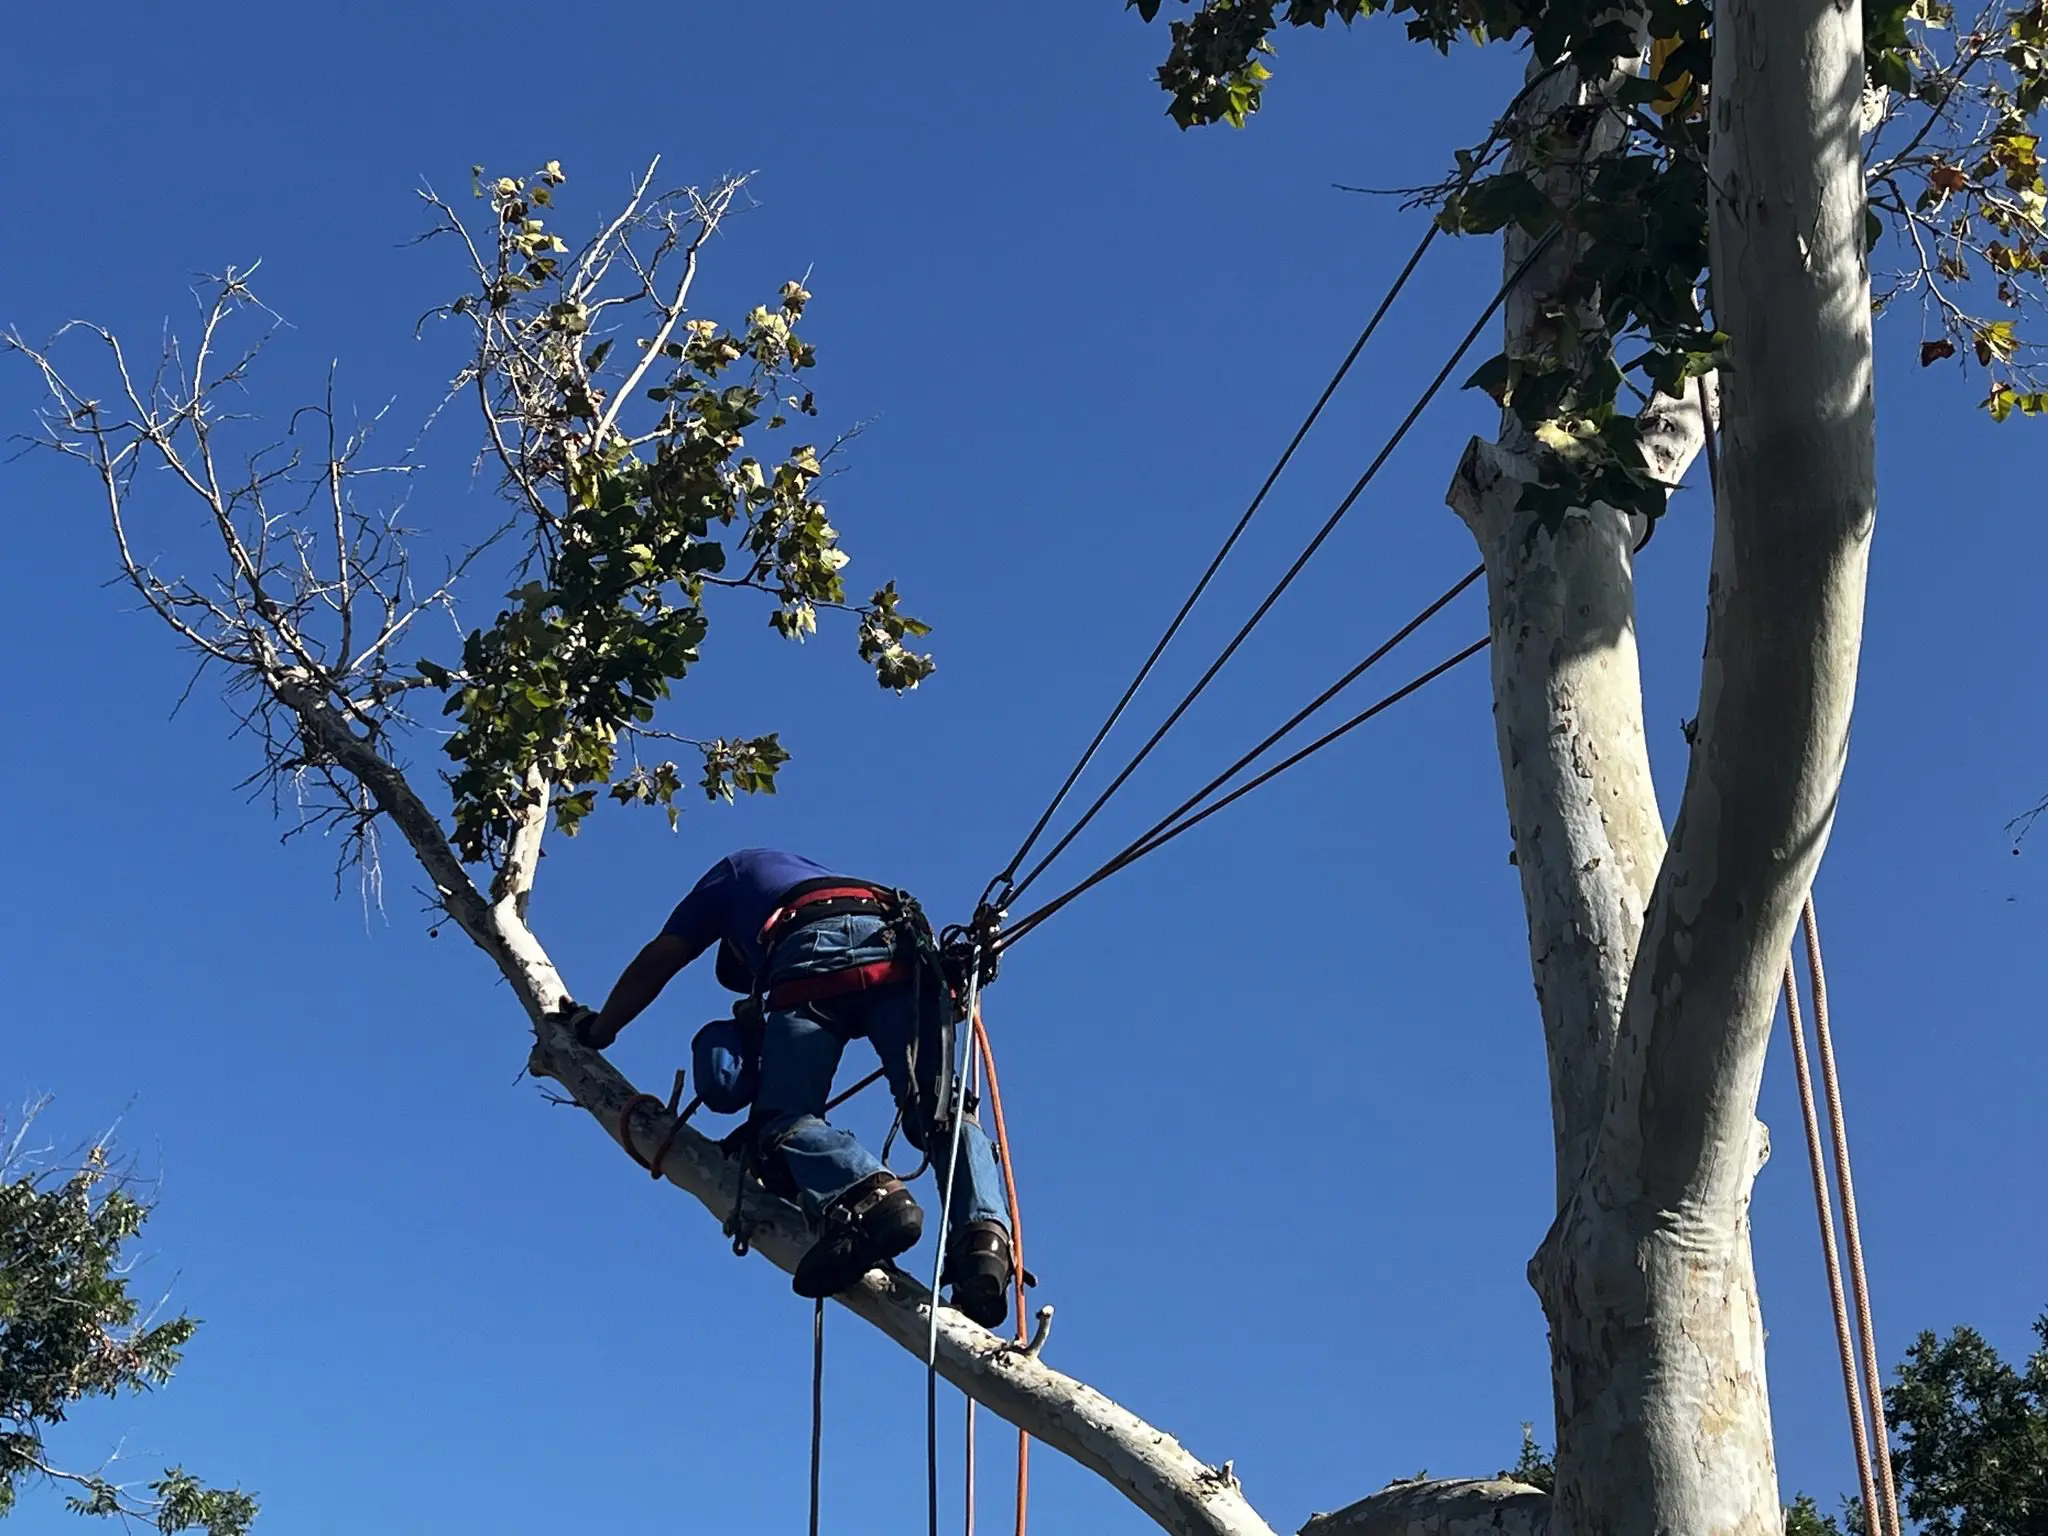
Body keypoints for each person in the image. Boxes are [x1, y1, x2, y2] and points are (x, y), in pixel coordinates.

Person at [570, 848, 1015, 1326]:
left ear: (737, 950)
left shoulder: (736, 871)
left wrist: (599, 1030)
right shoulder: (811, 871)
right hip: (901, 940)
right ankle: (984, 1243)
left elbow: (664, 954)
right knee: (940, 1114)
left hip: (812, 943)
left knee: (784, 1120)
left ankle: (870, 1198)